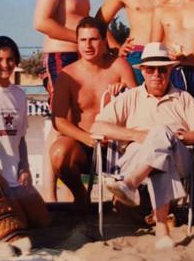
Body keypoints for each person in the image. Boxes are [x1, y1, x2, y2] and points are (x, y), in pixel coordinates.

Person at [91, 42, 194, 249]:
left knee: (161, 134)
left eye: (162, 69)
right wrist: (136, 135)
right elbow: (98, 125)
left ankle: (130, 184)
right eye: (150, 69)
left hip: (179, 157)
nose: (157, 74)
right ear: (144, 72)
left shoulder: (183, 98)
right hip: (136, 158)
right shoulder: (130, 97)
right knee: (160, 156)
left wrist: (181, 137)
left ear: (170, 71)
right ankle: (162, 230)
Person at [34, 0, 100, 201]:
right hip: (59, 57)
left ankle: (65, 190)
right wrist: (80, 38)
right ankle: (50, 194)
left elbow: (84, 21)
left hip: (80, 58)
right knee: (61, 122)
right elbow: (41, 22)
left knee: (75, 119)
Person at [50, 17, 136, 210]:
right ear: (77, 42)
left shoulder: (119, 66)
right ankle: (81, 195)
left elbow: (140, 107)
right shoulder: (67, 75)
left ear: (104, 41)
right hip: (86, 145)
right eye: (83, 40)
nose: (88, 45)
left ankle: (124, 192)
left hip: (119, 144)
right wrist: (88, 138)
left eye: (93, 40)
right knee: (58, 153)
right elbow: (59, 121)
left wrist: (125, 92)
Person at [0, 36, 50, 228]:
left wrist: (25, 168)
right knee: (20, 226)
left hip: (17, 177)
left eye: (9, 60)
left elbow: (21, 137)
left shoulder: (19, 94)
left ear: (16, 61)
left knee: (43, 221)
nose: (5, 65)